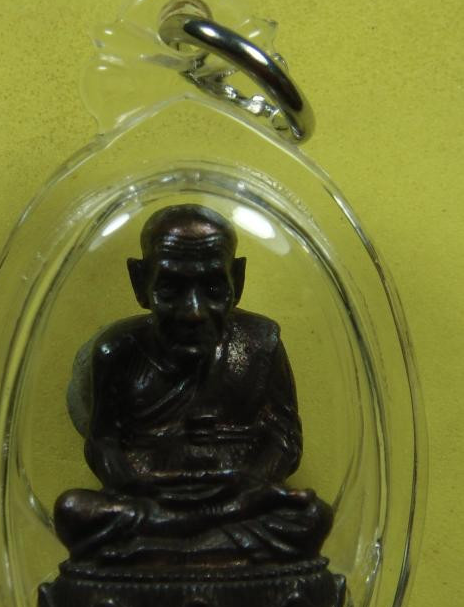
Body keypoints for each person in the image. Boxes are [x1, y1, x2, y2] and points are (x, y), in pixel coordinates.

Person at [55, 204, 332, 567]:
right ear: (140, 282)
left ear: (237, 280)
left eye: (213, 288)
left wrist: (249, 483)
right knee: (73, 509)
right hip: (153, 499)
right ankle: (203, 547)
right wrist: (137, 485)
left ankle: (165, 550)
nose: (194, 312)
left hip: (235, 499)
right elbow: (103, 442)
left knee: (311, 515)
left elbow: (284, 438)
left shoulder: (260, 343)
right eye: (171, 289)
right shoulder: (118, 350)